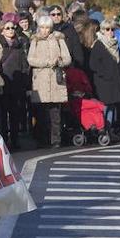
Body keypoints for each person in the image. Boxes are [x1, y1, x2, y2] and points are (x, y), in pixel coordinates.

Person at [27, 15, 71, 147]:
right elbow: (31, 59)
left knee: (55, 114)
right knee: (41, 113)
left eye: (47, 28)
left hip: (55, 79)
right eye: (42, 27)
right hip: (41, 79)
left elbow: (67, 58)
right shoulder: (35, 40)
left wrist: (59, 62)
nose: (45, 30)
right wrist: (46, 63)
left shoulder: (58, 39)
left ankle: (56, 140)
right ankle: (42, 139)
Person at [0, 16, 30, 148]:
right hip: (3, 84)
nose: (11, 30)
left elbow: (24, 67)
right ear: (2, 31)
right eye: (7, 28)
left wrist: (25, 84)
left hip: (17, 85)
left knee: (15, 113)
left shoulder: (19, 46)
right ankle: (4, 139)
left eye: (13, 28)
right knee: (3, 114)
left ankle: (15, 140)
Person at [89, 20, 120, 129]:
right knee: (105, 105)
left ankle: (109, 129)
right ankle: (103, 128)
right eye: (107, 29)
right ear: (102, 31)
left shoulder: (115, 44)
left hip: (115, 80)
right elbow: (93, 64)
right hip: (103, 81)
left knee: (112, 105)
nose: (110, 32)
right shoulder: (98, 44)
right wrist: (105, 74)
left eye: (112, 29)